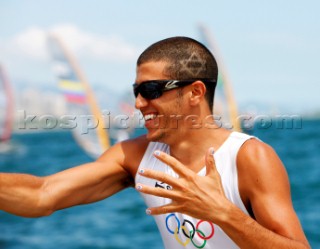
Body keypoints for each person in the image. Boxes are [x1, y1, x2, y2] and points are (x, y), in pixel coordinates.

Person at [0, 37, 310, 249]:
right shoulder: (134, 156)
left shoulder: (249, 157)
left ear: (195, 92)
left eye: (150, 89)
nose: (138, 103)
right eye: (136, 90)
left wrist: (223, 213)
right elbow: (42, 195)